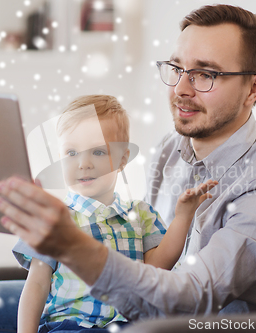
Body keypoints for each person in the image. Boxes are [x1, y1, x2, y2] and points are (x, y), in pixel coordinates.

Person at [0, 4, 256, 332]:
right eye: (177, 68)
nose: (182, 88)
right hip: (143, 313)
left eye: (205, 74)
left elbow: (194, 297)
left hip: (199, 322)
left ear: (253, 89)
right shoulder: (171, 149)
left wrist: (76, 247)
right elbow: (143, 251)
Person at [13, 94, 217, 333]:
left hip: (130, 325)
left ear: (122, 159)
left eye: (98, 152)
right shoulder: (53, 219)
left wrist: (183, 216)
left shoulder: (141, 214)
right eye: (71, 153)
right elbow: (37, 284)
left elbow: (157, 267)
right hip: (71, 325)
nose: (83, 163)